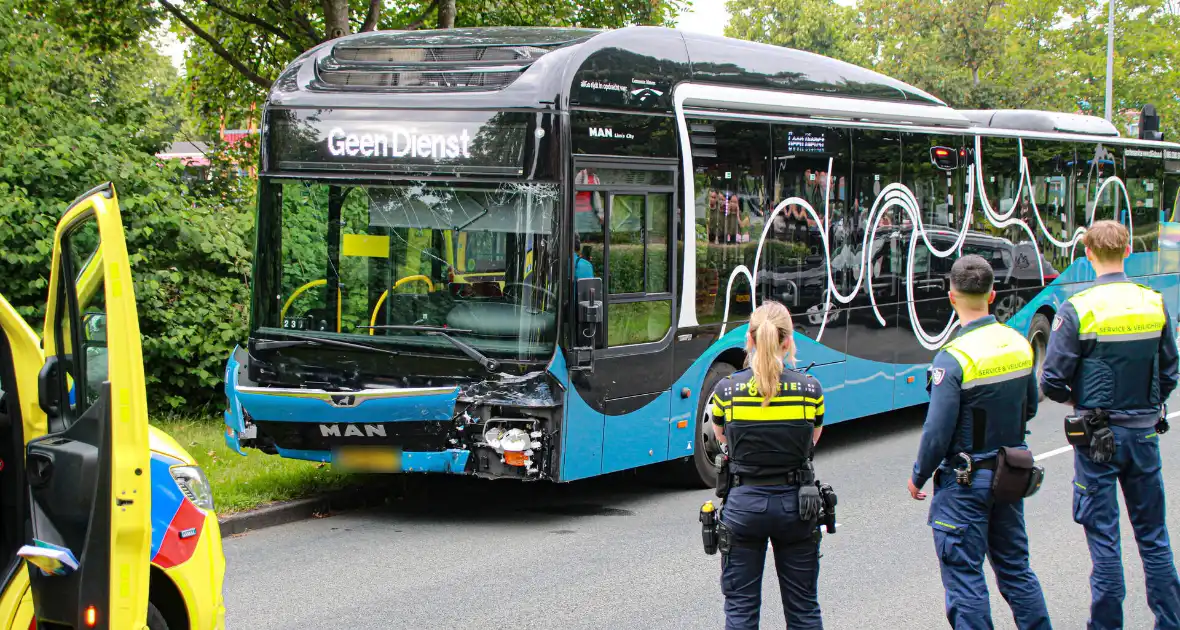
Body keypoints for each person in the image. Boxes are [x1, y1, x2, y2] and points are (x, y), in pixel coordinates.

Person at [1040, 219, 1180, 630]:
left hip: (1097, 440)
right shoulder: (1153, 303)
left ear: (1088, 254)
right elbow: (1170, 371)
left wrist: (1080, 400)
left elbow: (1051, 379)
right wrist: (1146, 404)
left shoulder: (1079, 308)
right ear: (1128, 252)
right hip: (1142, 435)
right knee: (1153, 538)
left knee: (1105, 542)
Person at [908, 254, 1051, 630]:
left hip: (965, 483)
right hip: (1009, 475)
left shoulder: (952, 359)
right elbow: (1030, 408)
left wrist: (918, 476)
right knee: (1017, 570)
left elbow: (937, 432)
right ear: (992, 295)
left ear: (951, 296)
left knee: (966, 580)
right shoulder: (1019, 345)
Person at [709, 301, 825, 630]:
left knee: (741, 611)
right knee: (804, 609)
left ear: (749, 339)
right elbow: (811, 441)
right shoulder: (809, 389)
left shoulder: (726, 390)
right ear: (788, 341)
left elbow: (723, 439)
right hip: (797, 505)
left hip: (744, 506)